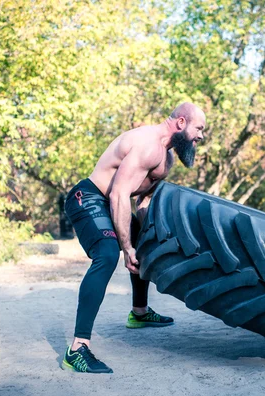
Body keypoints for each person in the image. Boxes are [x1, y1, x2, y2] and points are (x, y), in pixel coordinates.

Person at [62, 102, 207, 373]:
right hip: (90, 197)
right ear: (181, 123)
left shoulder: (167, 158)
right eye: (199, 128)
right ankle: (77, 349)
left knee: (145, 242)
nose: (201, 136)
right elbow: (118, 194)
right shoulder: (147, 144)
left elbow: (141, 199)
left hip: (113, 201)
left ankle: (139, 314)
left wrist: (146, 236)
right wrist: (126, 247)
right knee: (107, 254)